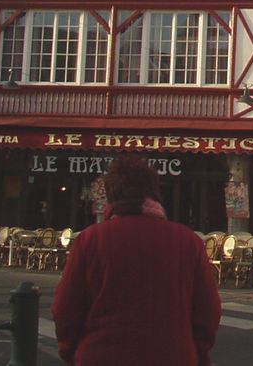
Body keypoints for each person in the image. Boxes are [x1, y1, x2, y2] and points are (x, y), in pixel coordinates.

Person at [52, 155, 221, 366]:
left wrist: (74, 352)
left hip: (101, 355)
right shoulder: (188, 242)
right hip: (173, 356)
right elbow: (208, 312)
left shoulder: (90, 240)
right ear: (154, 191)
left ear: (111, 194)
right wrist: (194, 352)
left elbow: (65, 309)